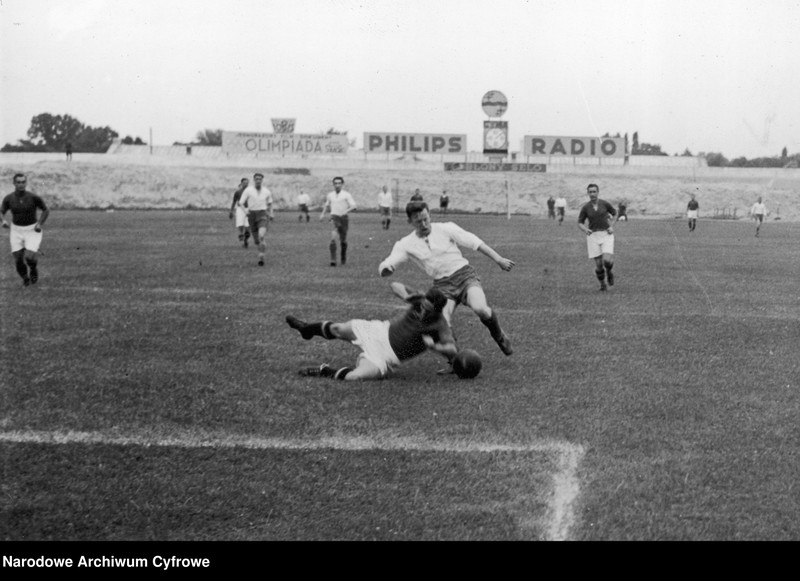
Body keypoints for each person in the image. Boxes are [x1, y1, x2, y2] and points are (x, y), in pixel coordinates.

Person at [378, 201, 515, 361]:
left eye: (425, 219)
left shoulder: (445, 228)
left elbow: (474, 242)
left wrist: (498, 259)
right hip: (442, 287)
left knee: (481, 309)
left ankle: (500, 337)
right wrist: (387, 269)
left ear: (429, 215)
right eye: (418, 221)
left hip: (465, 277)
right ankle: (455, 360)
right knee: (444, 321)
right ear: (410, 221)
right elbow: (389, 262)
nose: (423, 224)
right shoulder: (406, 244)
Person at [286, 282, 456, 381]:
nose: (424, 311)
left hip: (388, 356)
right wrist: (405, 295)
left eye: (429, 310)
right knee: (339, 328)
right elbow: (394, 284)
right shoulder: (420, 299)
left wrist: (435, 347)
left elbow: (452, 349)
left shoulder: (440, 324)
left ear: (438, 310)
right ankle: (306, 329)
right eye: (423, 307)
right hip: (380, 331)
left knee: (356, 377)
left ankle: (323, 370)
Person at [1, 173, 50, 286]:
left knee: (28, 257)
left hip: (32, 230)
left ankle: (33, 269)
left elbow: (46, 210)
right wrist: (3, 220)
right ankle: (25, 279)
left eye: (23, 182)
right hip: (16, 230)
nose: (21, 184)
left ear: (26, 183)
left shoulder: (33, 197)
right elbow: (1, 211)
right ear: (14, 183)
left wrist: (39, 224)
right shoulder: (9, 198)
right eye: (18, 182)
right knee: (18, 259)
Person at [577, 183, 618, 292]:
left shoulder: (604, 204)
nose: (592, 194)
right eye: (590, 192)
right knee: (599, 265)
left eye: (594, 191)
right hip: (593, 236)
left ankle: (609, 272)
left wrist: (611, 226)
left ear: (598, 192)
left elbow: (615, 213)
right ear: (588, 193)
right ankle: (602, 285)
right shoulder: (586, 207)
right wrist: (585, 229)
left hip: (606, 234)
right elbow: (580, 222)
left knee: (607, 261)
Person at [320, 176, 357, 266]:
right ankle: (333, 260)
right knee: (333, 238)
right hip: (334, 217)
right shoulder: (330, 195)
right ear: (333, 184)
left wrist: (346, 211)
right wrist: (322, 214)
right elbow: (327, 205)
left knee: (343, 240)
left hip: (343, 218)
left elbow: (354, 206)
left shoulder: (346, 195)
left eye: (339, 183)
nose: (337, 185)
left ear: (342, 184)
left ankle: (343, 256)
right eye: (335, 183)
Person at [238, 172, 273, 266]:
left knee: (261, 235)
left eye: (260, 179)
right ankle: (261, 248)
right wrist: (246, 212)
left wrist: (271, 213)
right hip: (252, 215)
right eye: (256, 179)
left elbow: (269, 203)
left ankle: (261, 256)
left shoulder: (266, 191)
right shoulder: (248, 190)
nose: (258, 180)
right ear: (254, 180)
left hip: (262, 214)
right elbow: (240, 203)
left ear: (262, 180)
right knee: (257, 241)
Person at [229, 177, 251, 247]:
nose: (246, 184)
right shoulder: (238, 192)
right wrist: (231, 211)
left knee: (248, 227)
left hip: (248, 209)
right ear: (241, 183)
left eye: (247, 183)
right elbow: (234, 202)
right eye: (244, 183)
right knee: (240, 224)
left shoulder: (251, 192)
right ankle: (241, 233)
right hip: (240, 209)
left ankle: (245, 241)